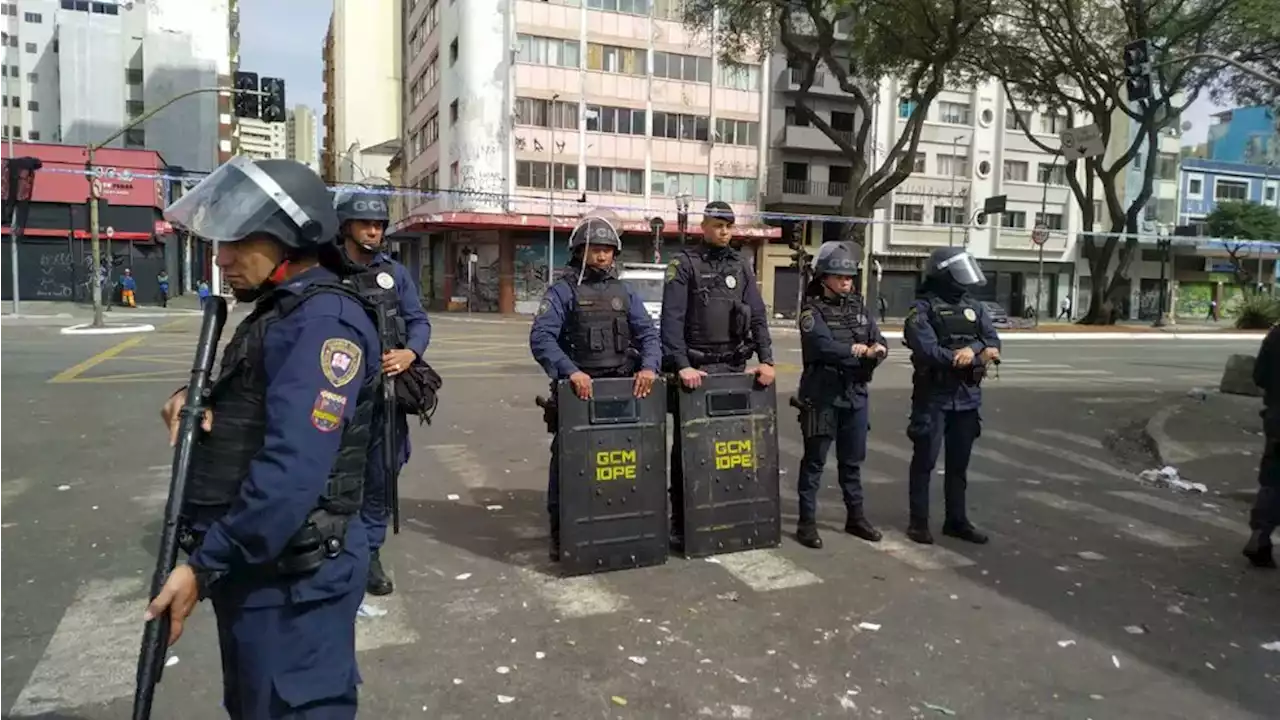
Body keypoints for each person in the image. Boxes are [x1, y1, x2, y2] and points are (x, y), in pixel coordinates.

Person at [145, 157, 380, 719]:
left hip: (295, 581)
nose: (222, 258)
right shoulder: (281, 313)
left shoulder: (324, 323)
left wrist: (203, 567)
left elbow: (291, 472)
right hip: (261, 573)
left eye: (239, 241)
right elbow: (260, 392)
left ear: (293, 239)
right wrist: (200, 399)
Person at [529, 212, 661, 561]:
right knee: (569, 466)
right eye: (594, 250)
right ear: (579, 251)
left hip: (620, 391)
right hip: (578, 393)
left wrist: (649, 366)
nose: (602, 256)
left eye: (607, 250)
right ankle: (562, 535)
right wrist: (570, 371)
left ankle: (616, 526)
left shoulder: (624, 291)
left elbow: (648, 334)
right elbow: (542, 338)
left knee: (620, 462)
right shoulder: (562, 290)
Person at [333, 185, 433, 597]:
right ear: (345, 226)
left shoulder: (395, 274)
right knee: (336, 478)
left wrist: (410, 353)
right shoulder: (325, 271)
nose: (374, 232)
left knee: (381, 477)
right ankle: (335, 552)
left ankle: (370, 552)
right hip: (338, 396)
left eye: (379, 224)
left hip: (385, 396)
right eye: (366, 224)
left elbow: (419, 321)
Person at [660, 200, 775, 550]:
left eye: (729, 225)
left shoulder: (741, 265)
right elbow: (672, 320)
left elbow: (756, 315)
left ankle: (723, 516)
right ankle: (682, 523)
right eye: (717, 225)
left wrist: (767, 359)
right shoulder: (683, 264)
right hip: (697, 372)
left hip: (733, 369)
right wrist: (681, 365)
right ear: (703, 226)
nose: (724, 231)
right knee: (689, 452)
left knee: (731, 448)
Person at [793, 241, 888, 549]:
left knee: (852, 462)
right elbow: (823, 347)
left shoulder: (858, 307)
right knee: (815, 462)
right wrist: (855, 351)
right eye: (839, 277)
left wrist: (879, 350)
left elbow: (877, 338)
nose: (846, 282)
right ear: (824, 278)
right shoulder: (811, 311)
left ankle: (855, 517)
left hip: (855, 395)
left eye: (849, 277)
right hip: (823, 396)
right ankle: (806, 523)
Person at [903, 247, 1000, 546]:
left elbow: (992, 339)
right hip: (934, 397)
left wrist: (972, 350)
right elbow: (927, 350)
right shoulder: (923, 310)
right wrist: (969, 356)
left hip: (967, 397)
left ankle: (956, 521)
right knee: (925, 463)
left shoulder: (975, 307)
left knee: (958, 466)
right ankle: (918, 523)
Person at [1246, 324, 1280, 568]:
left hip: (1278, 416)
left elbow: (1259, 375)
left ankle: (1260, 534)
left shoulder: (1276, 334)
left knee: (1273, 477)